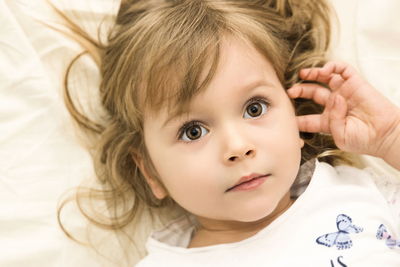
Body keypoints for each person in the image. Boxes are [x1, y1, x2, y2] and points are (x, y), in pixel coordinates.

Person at [57, 0, 400, 266]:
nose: (238, 147)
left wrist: (392, 138)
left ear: (294, 113)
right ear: (150, 170)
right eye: (193, 131)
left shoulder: (355, 191)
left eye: (255, 108)